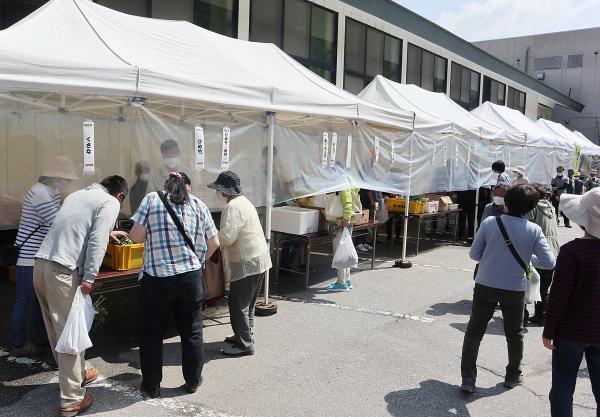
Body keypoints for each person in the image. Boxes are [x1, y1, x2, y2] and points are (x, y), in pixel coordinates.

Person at [34, 176, 129, 417]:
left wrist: (108, 232)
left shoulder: (76, 195)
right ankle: (71, 400)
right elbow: (96, 239)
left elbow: (76, 228)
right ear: (120, 195)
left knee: (57, 331)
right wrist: (90, 277)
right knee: (70, 335)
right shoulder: (110, 202)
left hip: (41, 265)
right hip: (63, 272)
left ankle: (76, 375)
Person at [130, 172, 219, 399]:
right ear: (185, 185)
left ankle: (151, 386)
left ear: (166, 184)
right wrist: (199, 261)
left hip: (157, 278)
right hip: (190, 277)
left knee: (151, 333)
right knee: (192, 331)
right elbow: (214, 242)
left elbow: (136, 237)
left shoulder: (151, 199)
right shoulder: (198, 204)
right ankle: (192, 381)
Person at [460, 185, 555, 394]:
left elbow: (474, 255)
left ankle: (468, 378)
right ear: (530, 208)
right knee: (514, 333)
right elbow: (549, 263)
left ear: (507, 202)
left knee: (475, 330)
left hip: (485, 283)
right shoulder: (534, 229)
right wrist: (527, 258)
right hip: (515, 287)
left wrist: (493, 257)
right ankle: (512, 375)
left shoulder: (490, 222)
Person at [11, 156, 78, 357]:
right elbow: (56, 222)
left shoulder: (51, 192)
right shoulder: (40, 192)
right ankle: (18, 344)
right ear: (56, 178)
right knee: (25, 300)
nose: (69, 183)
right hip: (28, 257)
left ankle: (41, 339)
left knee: (41, 301)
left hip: (40, 256)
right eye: (67, 179)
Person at [543, 188, 600, 417]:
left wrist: (548, 330)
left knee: (563, 387)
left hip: (570, 332)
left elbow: (558, 296)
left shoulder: (572, 251)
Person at [207, 171, 272, 357]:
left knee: (237, 304)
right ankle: (245, 335)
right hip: (259, 259)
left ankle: (245, 344)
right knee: (248, 303)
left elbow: (227, 237)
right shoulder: (245, 201)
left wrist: (210, 237)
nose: (219, 193)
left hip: (246, 261)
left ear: (224, 190)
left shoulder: (232, 207)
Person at [524, 183, 560, 326]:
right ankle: (541, 316)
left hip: (538, 253)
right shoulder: (550, 207)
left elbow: (524, 227)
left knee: (526, 286)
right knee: (543, 287)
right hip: (553, 252)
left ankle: (522, 316)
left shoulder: (534, 208)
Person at [327, 187, 360, 292]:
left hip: (340, 222)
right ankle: (346, 280)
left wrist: (346, 217)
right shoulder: (350, 181)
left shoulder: (343, 182)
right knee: (345, 252)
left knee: (339, 253)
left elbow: (348, 201)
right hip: (345, 223)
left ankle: (341, 282)